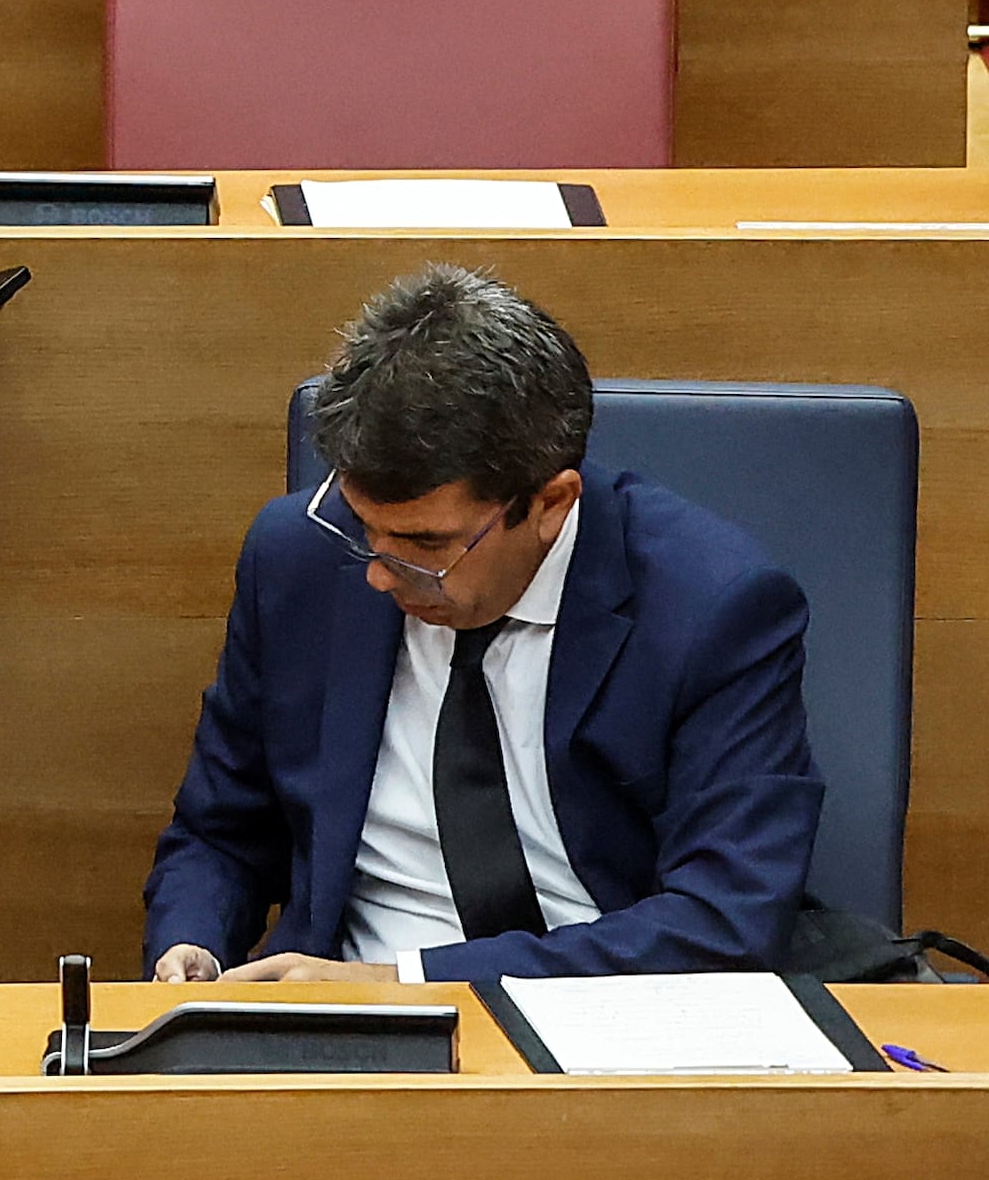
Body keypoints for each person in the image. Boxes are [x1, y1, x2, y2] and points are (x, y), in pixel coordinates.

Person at [144, 266, 823, 983]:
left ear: (553, 502)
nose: (380, 570)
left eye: (428, 545)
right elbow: (220, 832)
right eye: (362, 525)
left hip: (600, 1021)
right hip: (341, 1031)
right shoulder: (297, 558)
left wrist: (404, 983)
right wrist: (194, 940)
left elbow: (724, 922)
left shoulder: (713, 607)